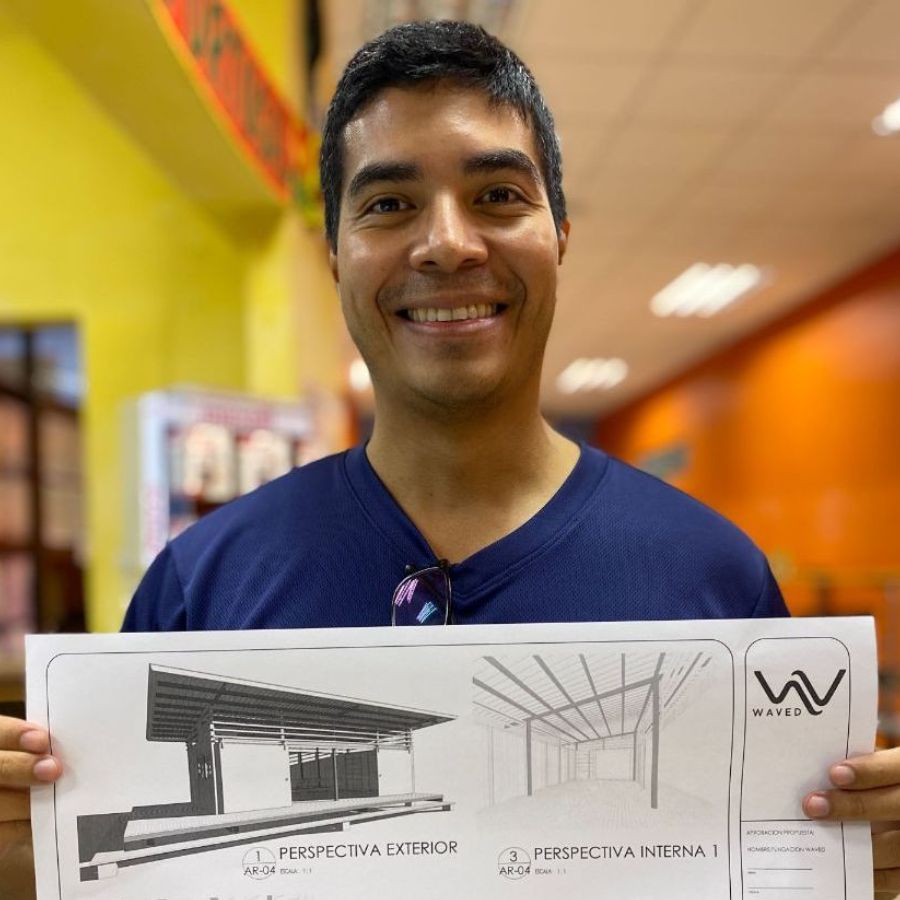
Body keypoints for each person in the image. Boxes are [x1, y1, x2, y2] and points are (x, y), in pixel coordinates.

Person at [1, 20, 898, 897]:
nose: (448, 244)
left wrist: (873, 859)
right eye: (389, 204)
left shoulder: (714, 577)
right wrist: (22, 862)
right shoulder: (204, 584)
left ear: (560, 236)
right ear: (335, 255)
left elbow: (793, 858)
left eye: (498, 195)